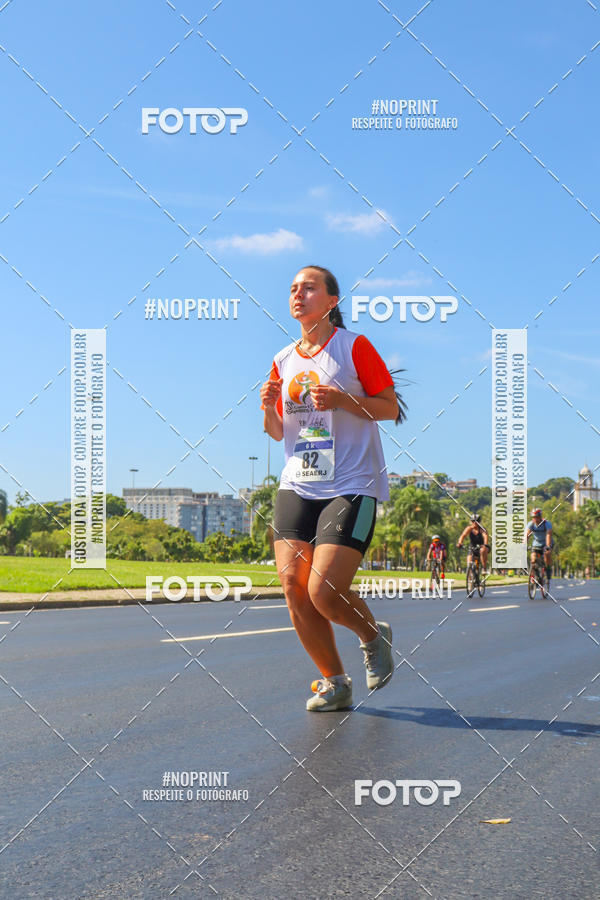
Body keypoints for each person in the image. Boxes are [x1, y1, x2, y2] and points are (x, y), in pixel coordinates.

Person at [260, 265, 405, 712]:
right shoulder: (284, 359)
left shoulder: (353, 347)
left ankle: (372, 636)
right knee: (291, 584)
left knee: (324, 590)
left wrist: (343, 400)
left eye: (309, 288)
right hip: (299, 481)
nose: (298, 295)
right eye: (292, 289)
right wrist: (267, 408)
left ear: (332, 301)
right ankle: (334, 682)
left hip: (351, 482)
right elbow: (276, 431)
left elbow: (389, 407)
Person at [526, 508, 553, 582]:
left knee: (547, 554)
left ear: (540, 517)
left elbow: (548, 535)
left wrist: (547, 546)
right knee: (533, 559)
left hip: (546, 542)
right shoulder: (531, 524)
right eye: (534, 517)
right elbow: (526, 535)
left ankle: (548, 569)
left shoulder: (547, 524)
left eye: (537, 517)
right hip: (536, 543)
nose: (535, 519)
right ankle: (533, 577)